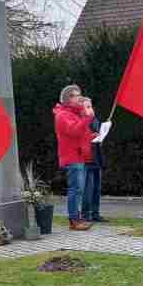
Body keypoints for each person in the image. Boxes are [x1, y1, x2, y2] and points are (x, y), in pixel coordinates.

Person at [53, 85, 92, 231]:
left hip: (78, 156)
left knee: (78, 189)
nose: (80, 98)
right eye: (76, 95)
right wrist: (87, 118)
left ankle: (77, 217)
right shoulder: (62, 115)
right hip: (72, 157)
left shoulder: (74, 113)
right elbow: (74, 131)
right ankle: (74, 220)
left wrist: (93, 136)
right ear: (68, 99)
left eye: (80, 94)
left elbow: (80, 133)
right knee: (75, 189)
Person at [81, 97, 106, 224]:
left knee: (97, 187)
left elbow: (97, 136)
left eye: (91, 106)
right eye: (87, 107)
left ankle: (95, 213)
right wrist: (91, 136)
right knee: (88, 188)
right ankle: (86, 214)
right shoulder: (81, 121)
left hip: (97, 157)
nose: (91, 109)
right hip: (87, 159)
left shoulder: (95, 120)